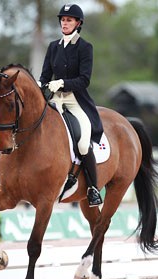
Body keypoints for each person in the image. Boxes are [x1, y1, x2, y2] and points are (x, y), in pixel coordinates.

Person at [39, 4, 103, 207]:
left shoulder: (85, 47)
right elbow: (45, 76)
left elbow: (84, 80)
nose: (64, 23)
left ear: (78, 23)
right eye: (63, 20)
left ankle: (93, 188)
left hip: (76, 101)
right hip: (55, 100)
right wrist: (41, 85)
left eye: (69, 20)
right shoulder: (53, 47)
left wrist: (64, 83)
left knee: (83, 143)